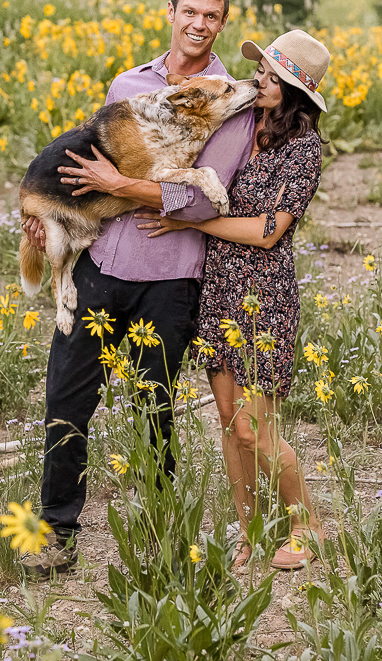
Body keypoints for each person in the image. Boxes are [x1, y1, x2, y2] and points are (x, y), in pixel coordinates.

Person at [18, 0, 256, 577]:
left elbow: (208, 199)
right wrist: (51, 217)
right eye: (191, 12)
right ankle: (56, 530)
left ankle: (159, 530)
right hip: (104, 261)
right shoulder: (129, 82)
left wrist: (127, 186)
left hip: (172, 278)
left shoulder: (232, 101)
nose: (199, 25)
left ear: (222, 23)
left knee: (156, 406)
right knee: (68, 396)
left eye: (212, 17)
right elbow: (95, 167)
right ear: (170, 12)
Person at [139, 29, 330, 570]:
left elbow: (270, 230)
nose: (259, 81)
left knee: (255, 427)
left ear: (296, 91)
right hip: (218, 284)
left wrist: (191, 220)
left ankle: (307, 524)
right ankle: (250, 532)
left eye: (272, 77)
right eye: (262, 72)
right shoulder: (243, 125)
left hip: (262, 294)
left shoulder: (303, 148)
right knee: (227, 421)